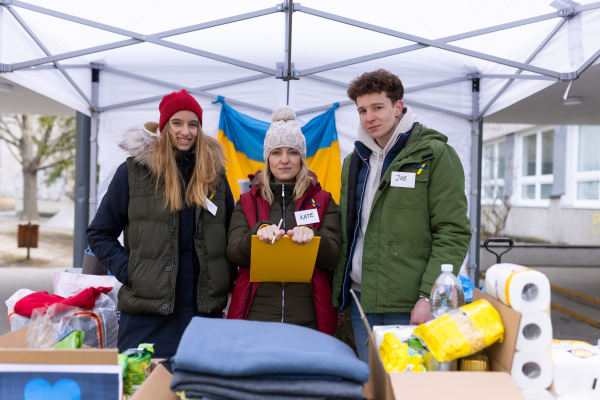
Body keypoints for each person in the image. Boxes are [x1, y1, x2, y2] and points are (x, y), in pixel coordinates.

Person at [332, 69, 472, 361]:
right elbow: (350, 231)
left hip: (410, 304)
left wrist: (428, 298)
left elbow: (453, 231)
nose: (369, 117)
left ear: (398, 107)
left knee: (410, 385)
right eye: (362, 110)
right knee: (373, 384)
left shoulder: (434, 155)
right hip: (361, 300)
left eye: (377, 107)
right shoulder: (354, 161)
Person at [87, 89, 235, 358]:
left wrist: (227, 277)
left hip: (202, 316)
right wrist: (130, 270)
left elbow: (232, 234)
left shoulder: (215, 177)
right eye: (177, 123)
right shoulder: (133, 172)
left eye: (193, 124)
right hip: (147, 316)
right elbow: (99, 233)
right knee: (143, 391)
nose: (185, 132)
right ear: (164, 126)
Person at [227, 106, 341, 335]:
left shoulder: (323, 199)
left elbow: (335, 254)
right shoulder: (247, 201)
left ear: (302, 158)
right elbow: (234, 252)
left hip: (309, 316)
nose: (285, 160)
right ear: (267, 158)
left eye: (293, 152)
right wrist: (257, 234)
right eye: (277, 152)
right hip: (255, 315)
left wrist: (313, 236)